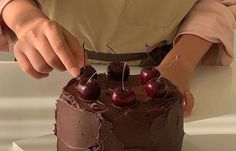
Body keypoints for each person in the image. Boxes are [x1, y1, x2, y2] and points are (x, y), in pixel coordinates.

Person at [0, 0, 236, 117]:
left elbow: (220, 2)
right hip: (48, 67)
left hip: (171, 64)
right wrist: (24, 18)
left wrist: (181, 63)